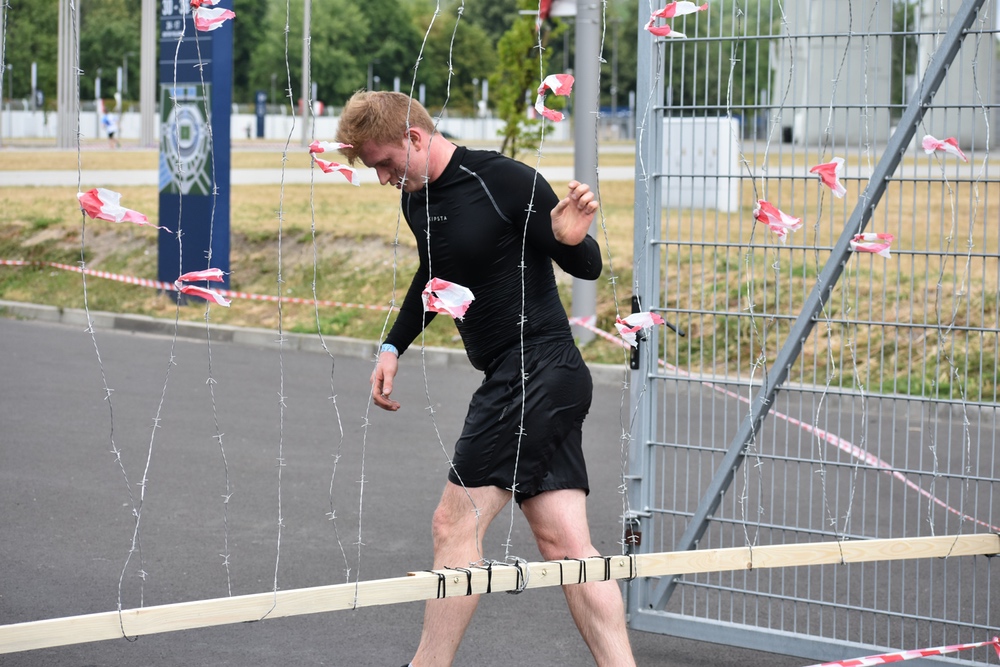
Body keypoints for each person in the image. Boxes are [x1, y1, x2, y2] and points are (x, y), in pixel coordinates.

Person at [336, 91, 636, 667]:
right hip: (522, 375)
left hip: (537, 368)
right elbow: (434, 276)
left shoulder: (504, 181)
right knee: (567, 547)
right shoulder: (416, 200)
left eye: (386, 164)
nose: (383, 178)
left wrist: (570, 239)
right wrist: (394, 345)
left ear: (414, 138)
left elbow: (586, 264)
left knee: (453, 523)